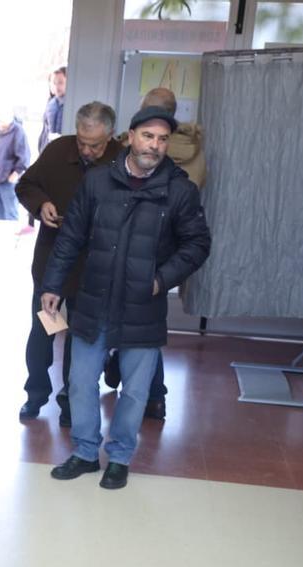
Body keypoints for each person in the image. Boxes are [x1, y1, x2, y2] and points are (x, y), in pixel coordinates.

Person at [41, 106, 211, 490]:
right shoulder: (98, 182)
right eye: (148, 136)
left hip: (142, 306)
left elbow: (198, 244)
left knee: (134, 392)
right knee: (80, 382)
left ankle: (119, 458)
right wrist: (52, 285)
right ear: (131, 137)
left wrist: (161, 280)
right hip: (95, 299)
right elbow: (71, 237)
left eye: (162, 139)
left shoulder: (179, 191)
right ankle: (86, 452)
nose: (155, 145)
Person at [15, 101, 124, 425]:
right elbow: (26, 185)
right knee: (42, 333)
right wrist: (42, 204)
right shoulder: (58, 150)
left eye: (95, 145)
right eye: (82, 142)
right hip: (52, 266)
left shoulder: (121, 160)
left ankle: (69, 402)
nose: (86, 151)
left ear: (110, 136)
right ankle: (35, 394)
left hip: (93, 269)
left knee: (81, 339)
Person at [106, 87, 207, 420]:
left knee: (131, 325)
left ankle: (128, 377)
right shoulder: (195, 149)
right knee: (148, 329)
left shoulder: (135, 146)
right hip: (167, 252)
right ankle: (155, 396)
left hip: (136, 244)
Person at [0, 104, 31, 222]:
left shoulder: (18, 131)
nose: (0, 118)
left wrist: (16, 173)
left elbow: (24, 156)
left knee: (10, 215)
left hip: (8, 182)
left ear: (10, 116)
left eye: (3, 115)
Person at [38, 66, 67, 155]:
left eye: (60, 82)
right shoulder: (50, 104)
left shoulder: (70, 105)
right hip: (48, 150)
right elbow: (45, 131)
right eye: (54, 83)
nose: (57, 86)